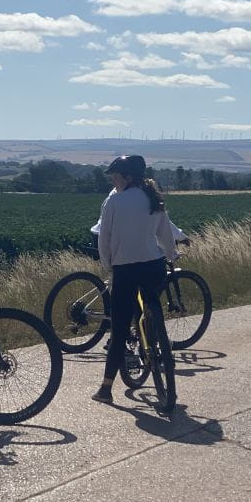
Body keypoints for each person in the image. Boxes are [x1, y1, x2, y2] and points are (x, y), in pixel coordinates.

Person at [92, 155, 176, 404]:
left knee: (118, 329)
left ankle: (106, 389)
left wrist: (109, 266)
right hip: (154, 267)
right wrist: (171, 256)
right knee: (151, 302)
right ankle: (151, 327)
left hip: (125, 270)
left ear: (127, 177)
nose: (114, 181)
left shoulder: (114, 201)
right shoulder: (154, 198)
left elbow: (104, 238)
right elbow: (165, 234)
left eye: (116, 177)